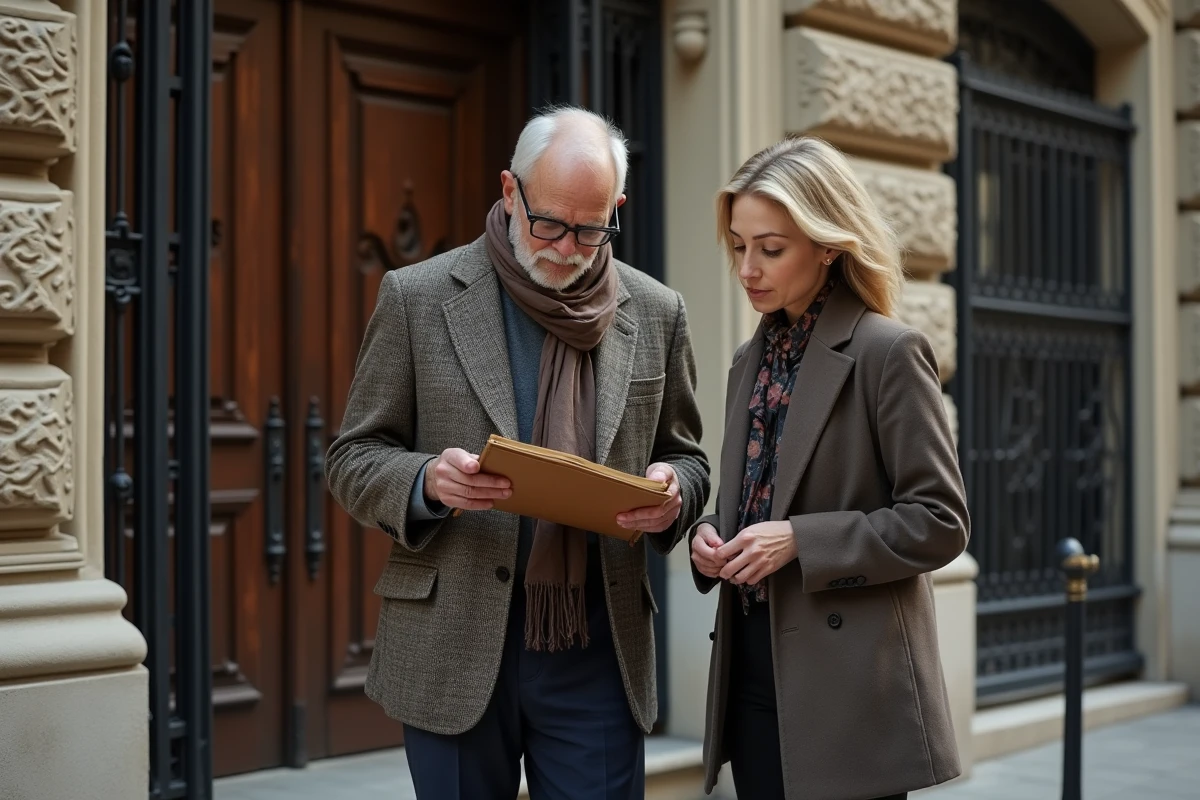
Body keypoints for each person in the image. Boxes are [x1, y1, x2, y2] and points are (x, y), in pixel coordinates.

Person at [326, 105, 710, 800]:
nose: (567, 247)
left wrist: (673, 491)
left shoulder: (657, 312)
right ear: (510, 192)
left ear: (616, 209)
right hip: (453, 644)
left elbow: (687, 455)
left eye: (591, 229)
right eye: (549, 223)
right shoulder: (415, 297)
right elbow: (353, 456)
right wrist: (426, 481)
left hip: (596, 647)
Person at [688, 136, 970, 800]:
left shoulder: (888, 353)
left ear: (828, 245)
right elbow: (758, 495)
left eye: (771, 248)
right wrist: (711, 536)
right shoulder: (745, 362)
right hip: (752, 663)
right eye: (738, 246)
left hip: (847, 684)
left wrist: (800, 541)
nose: (748, 268)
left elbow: (939, 521)